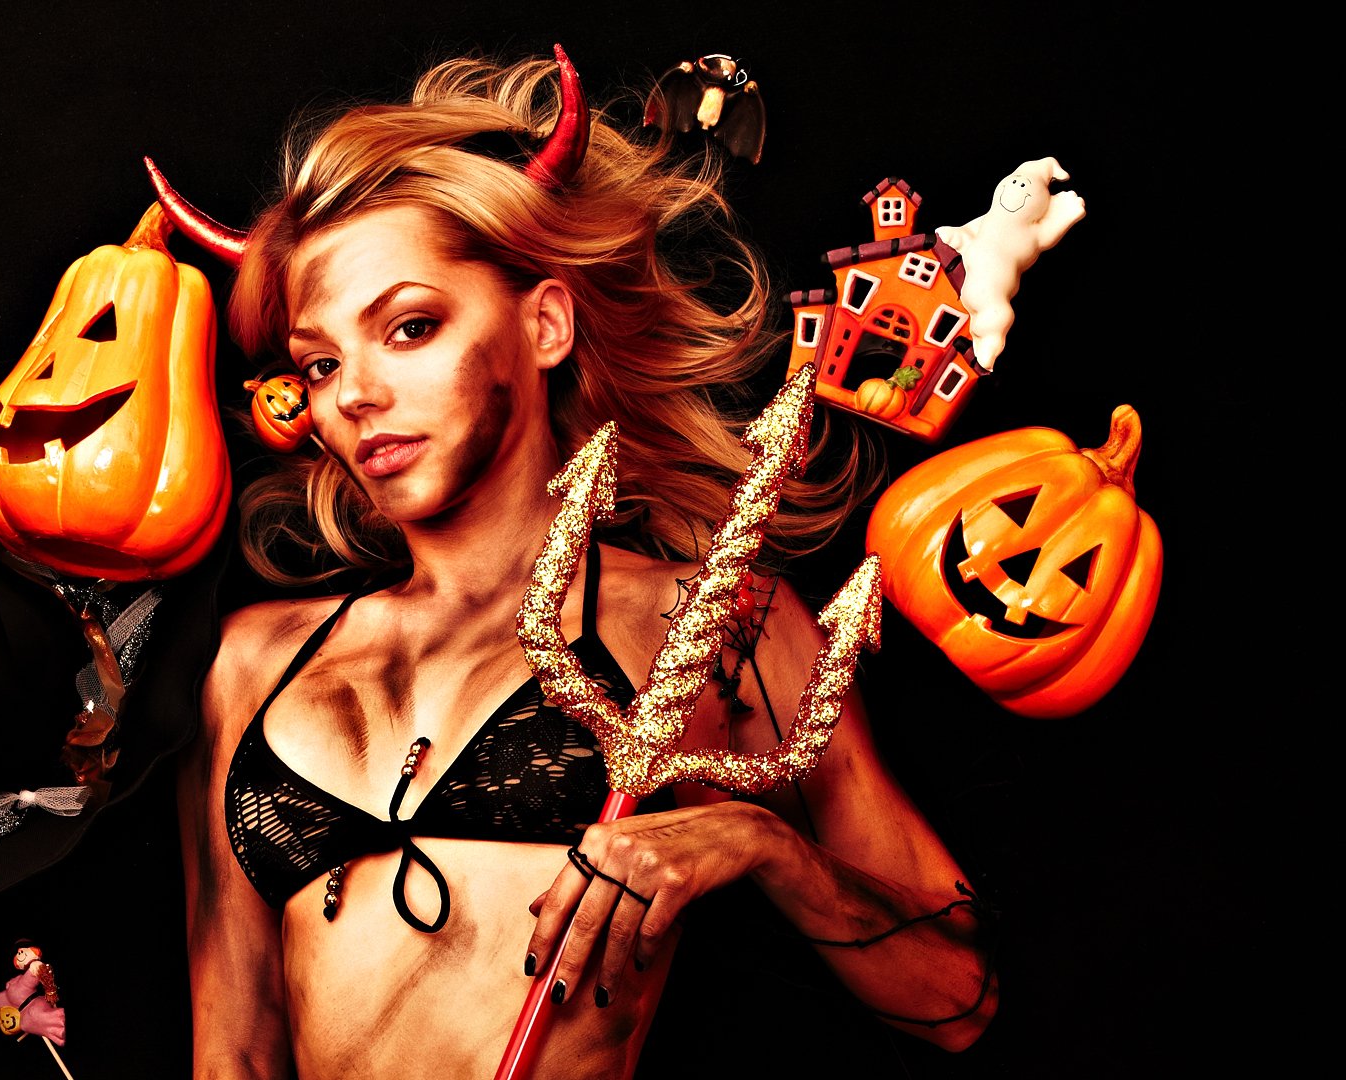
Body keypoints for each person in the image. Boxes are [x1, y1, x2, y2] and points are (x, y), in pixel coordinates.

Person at [170, 52, 995, 1078]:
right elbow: (231, 1055)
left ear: (545, 324)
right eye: (321, 363)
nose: (354, 395)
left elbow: (959, 998)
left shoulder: (712, 627)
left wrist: (759, 844)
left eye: (410, 328)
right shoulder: (251, 664)